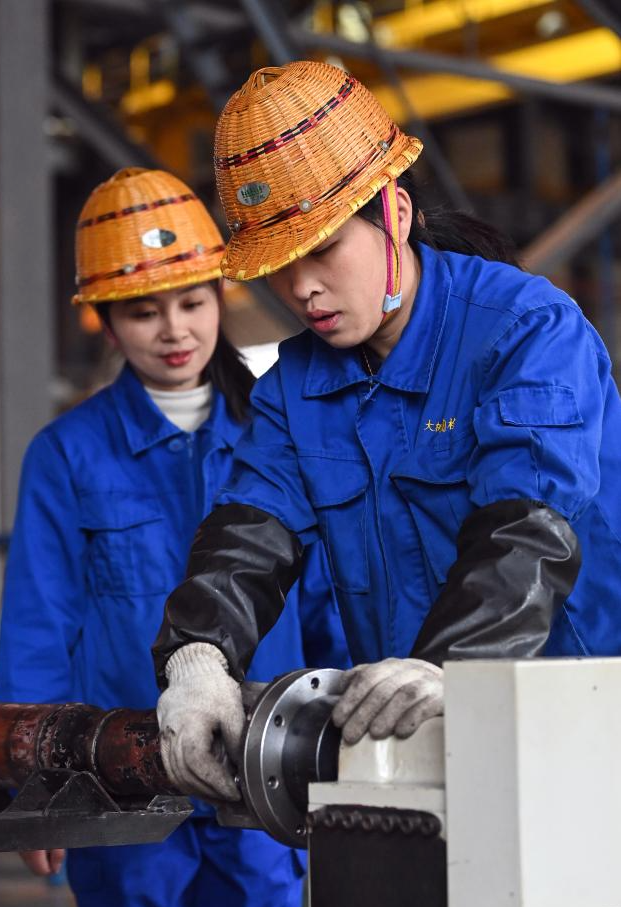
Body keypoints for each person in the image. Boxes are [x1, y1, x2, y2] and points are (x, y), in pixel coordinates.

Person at [153, 59, 621, 801]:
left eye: (322, 249)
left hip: (574, 721)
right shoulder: (297, 385)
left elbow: (528, 529)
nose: (301, 288)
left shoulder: (527, 331)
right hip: (405, 728)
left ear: (395, 213)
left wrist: (450, 664)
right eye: (280, 264)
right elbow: (250, 534)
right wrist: (199, 657)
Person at [0, 166, 348, 907]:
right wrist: (29, 792)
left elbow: (327, 605)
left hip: (263, 773)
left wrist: (347, 749)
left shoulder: (280, 435)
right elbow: (39, 622)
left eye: (191, 302)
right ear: (106, 320)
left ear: (220, 296)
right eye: (143, 311)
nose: (174, 330)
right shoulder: (67, 455)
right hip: (121, 783)